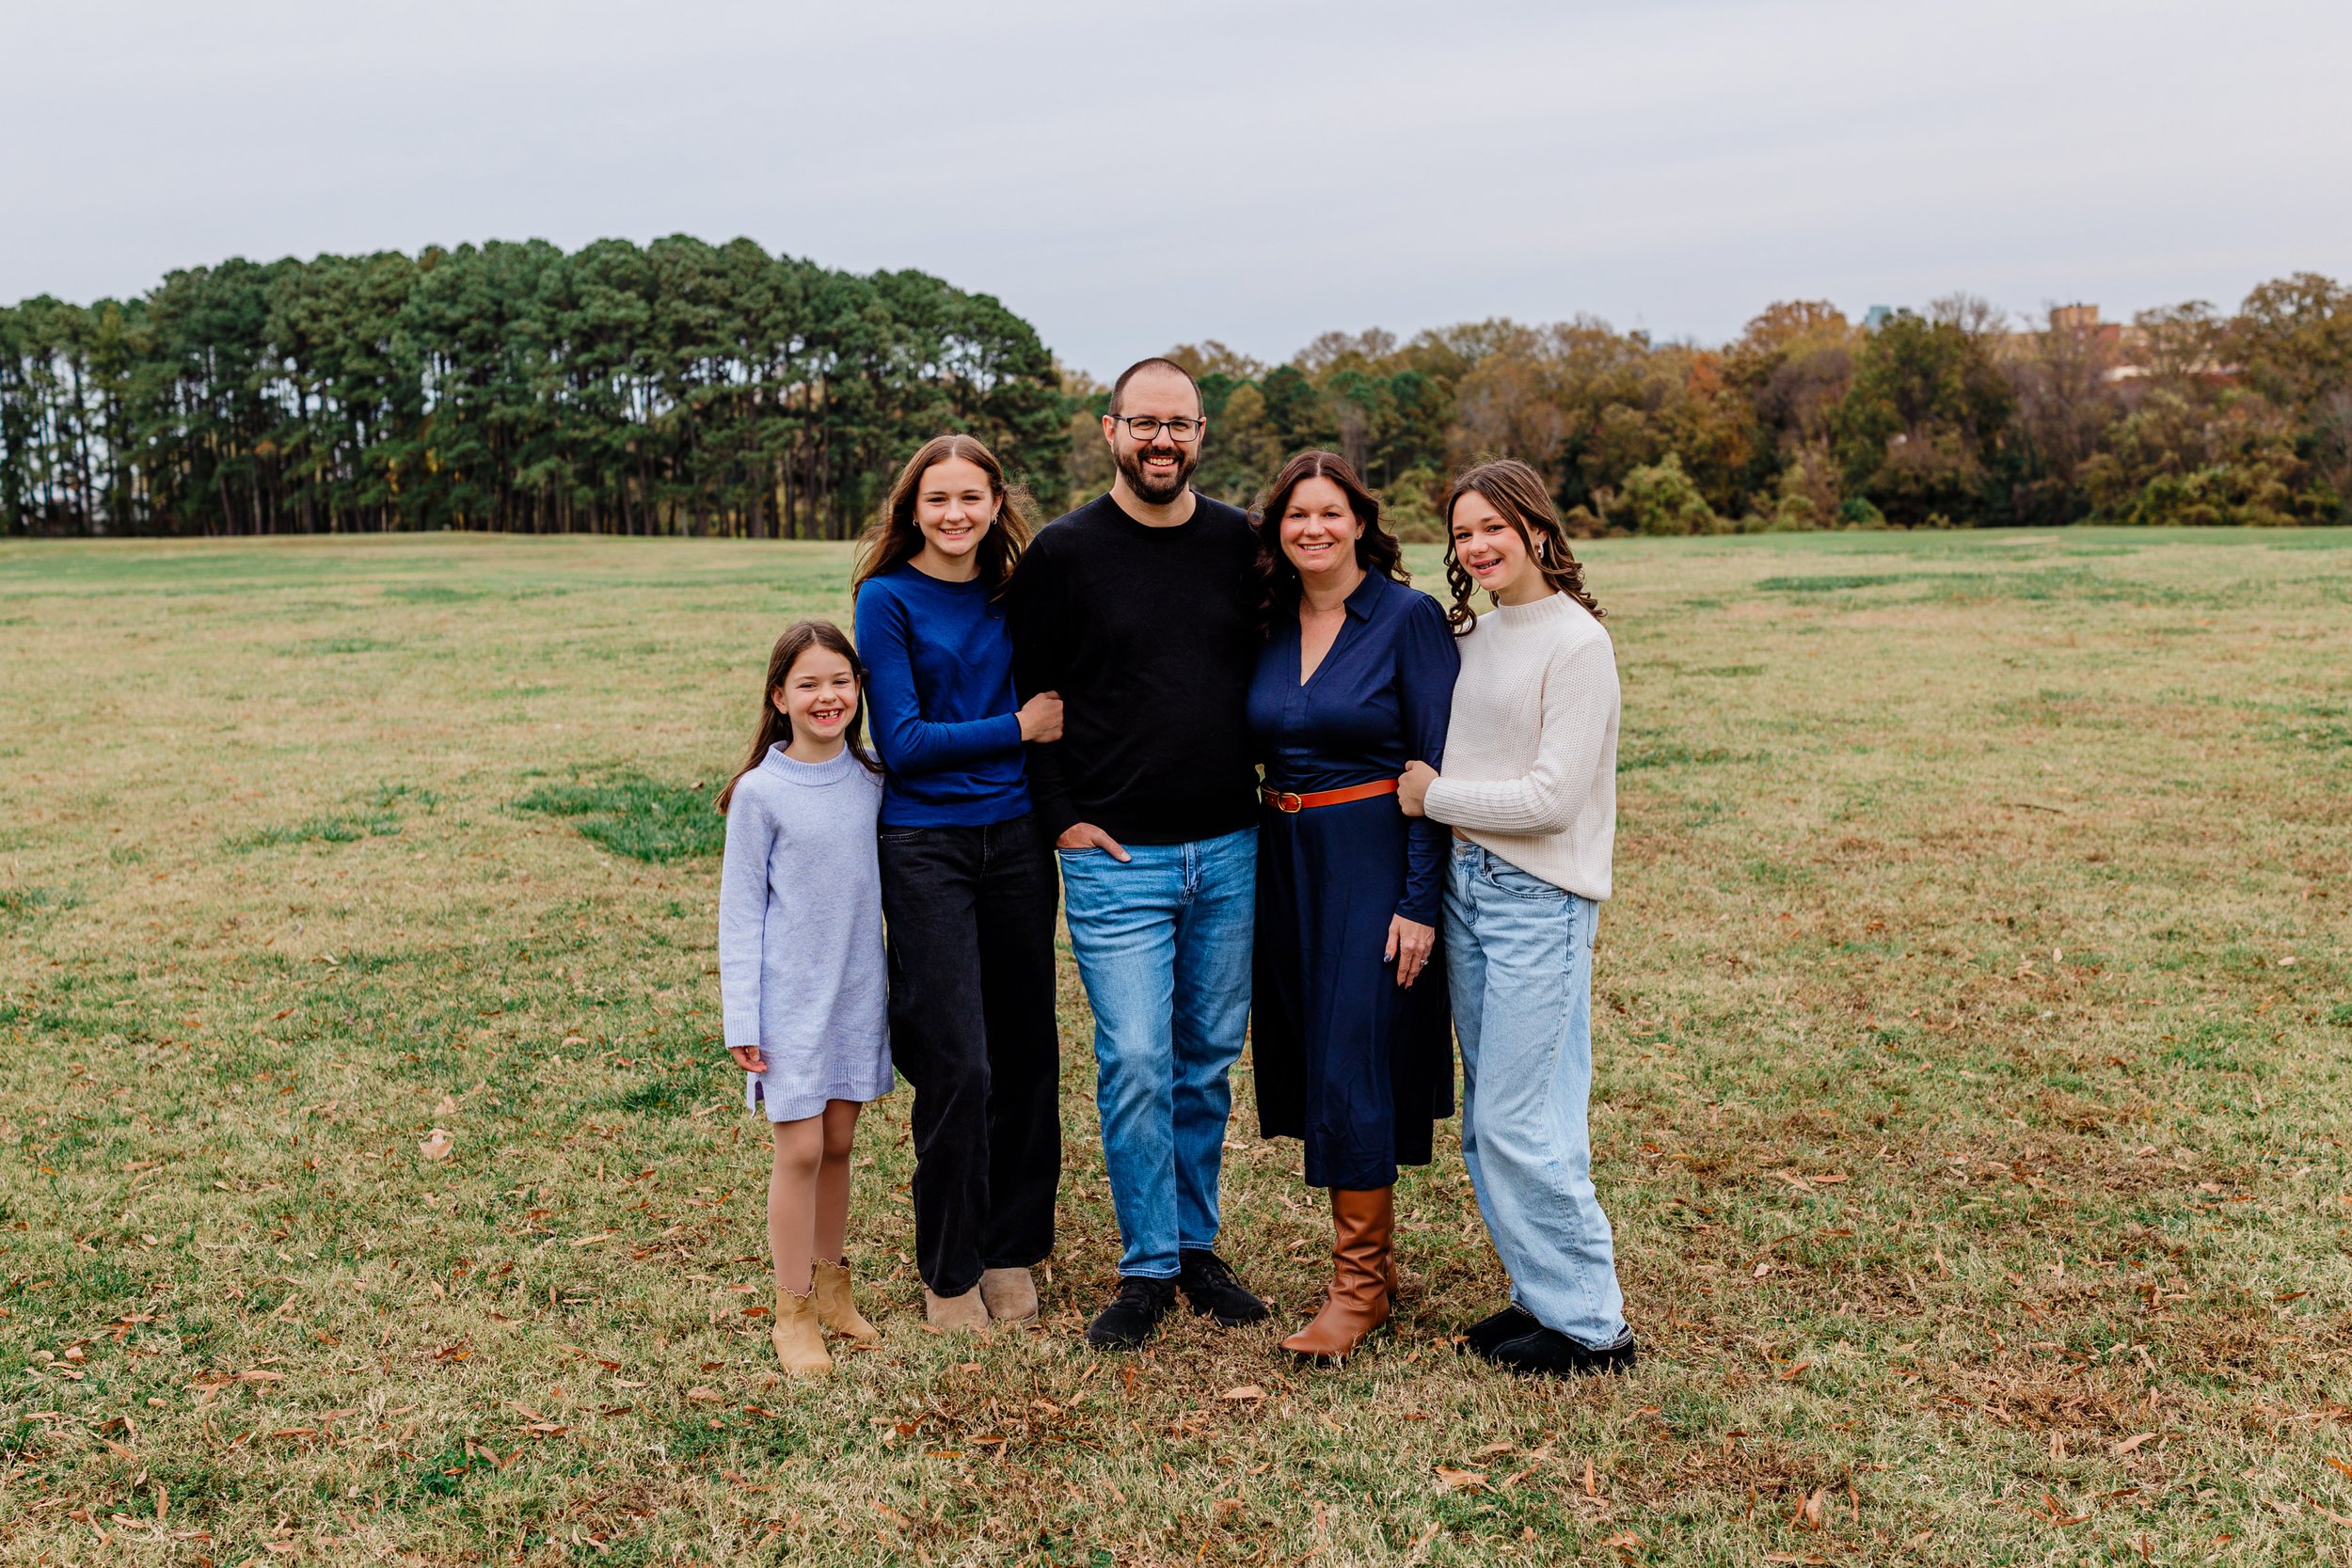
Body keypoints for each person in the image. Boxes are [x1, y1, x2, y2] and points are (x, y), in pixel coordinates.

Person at [1008, 356, 1270, 1350]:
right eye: (1145, 423)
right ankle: (1147, 1264)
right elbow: (1031, 696)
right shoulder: (1062, 553)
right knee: (1136, 1061)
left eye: (1180, 424)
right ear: (1111, 428)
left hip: (1230, 847)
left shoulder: (1242, 543)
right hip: (1115, 858)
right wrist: (1062, 818)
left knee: (1205, 1063)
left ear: (1201, 434)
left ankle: (1197, 1246)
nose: (1163, 440)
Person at [1395, 459, 1637, 1378]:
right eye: (1462, 533)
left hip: (1538, 898)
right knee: (1498, 1112)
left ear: (1536, 528)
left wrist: (1433, 796)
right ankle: (1542, 1296)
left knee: (1517, 1114)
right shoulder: (1475, 634)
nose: (1477, 545)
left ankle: (1594, 1327)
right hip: (1467, 889)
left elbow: (1550, 798)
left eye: (1493, 526)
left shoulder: (1576, 643)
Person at [1246, 451, 1458, 1361]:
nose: (1314, 529)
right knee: (1311, 1044)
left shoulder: (1407, 618)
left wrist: (1418, 900)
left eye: (1330, 512)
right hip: (1283, 856)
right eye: (1297, 514)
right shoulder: (1264, 618)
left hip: (1372, 853)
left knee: (1352, 1055)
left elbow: (1434, 763)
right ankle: (1375, 1271)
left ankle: (1360, 1287)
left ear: (1360, 522)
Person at [852, 435, 1065, 1332]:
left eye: (970, 497)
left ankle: (1011, 1249)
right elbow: (902, 743)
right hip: (925, 845)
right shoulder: (885, 598)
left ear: (995, 504)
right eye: (936, 499)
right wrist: (1016, 725)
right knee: (957, 1060)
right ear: (912, 508)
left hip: (1016, 841)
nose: (954, 514)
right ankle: (949, 1269)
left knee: (1025, 1052)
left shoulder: (1016, 593)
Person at [715, 620, 895, 1376]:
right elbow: (739, 913)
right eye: (809, 683)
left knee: (841, 1143)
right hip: (788, 1001)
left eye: (840, 681)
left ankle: (831, 1288)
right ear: (779, 695)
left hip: (857, 991)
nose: (827, 696)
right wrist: (742, 1016)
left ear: (859, 689)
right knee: (800, 1149)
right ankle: (791, 1309)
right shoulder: (761, 793)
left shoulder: (874, 778)